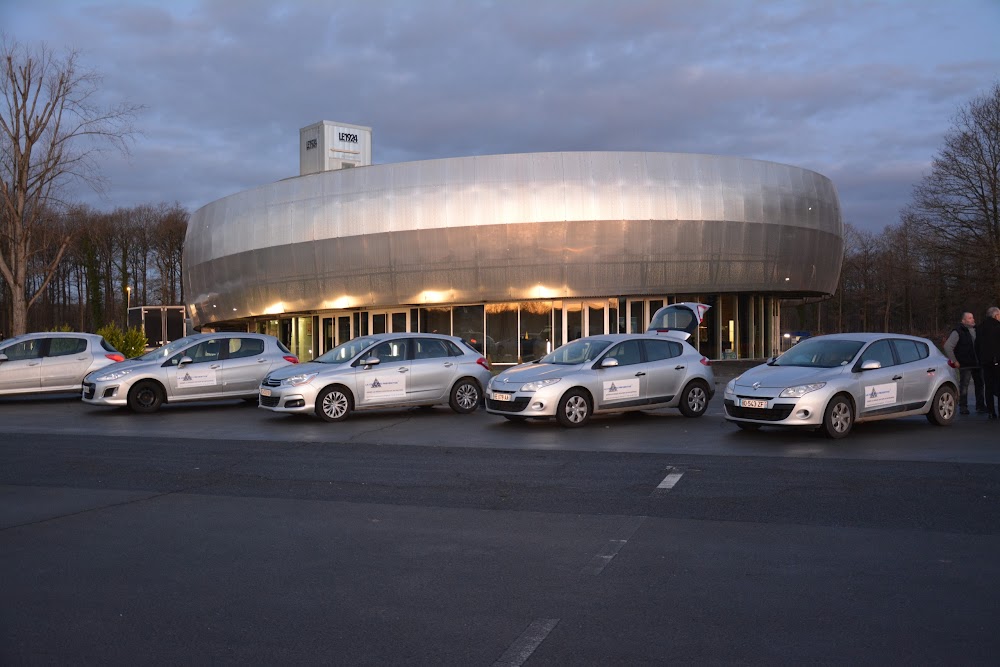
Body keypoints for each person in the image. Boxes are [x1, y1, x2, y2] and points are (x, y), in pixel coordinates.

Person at [943, 312, 985, 415]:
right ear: (963, 321)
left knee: (980, 385)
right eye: (970, 318)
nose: (973, 319)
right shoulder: (958, 331)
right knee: (964, 386)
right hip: (965, 364)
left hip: (978, 363)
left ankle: (980, 407)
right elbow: (948, 346)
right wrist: (954, 360)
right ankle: (963, 407)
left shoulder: (977, 330)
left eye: (973, 317)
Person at [975, 306, 1000, 420]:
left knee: (988, 387)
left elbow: (977, 345)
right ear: (996, 315)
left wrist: (980, 359)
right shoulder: (998, 326)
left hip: (985, 361)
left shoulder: (980, 327)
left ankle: (991, 412)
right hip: (997, 361)